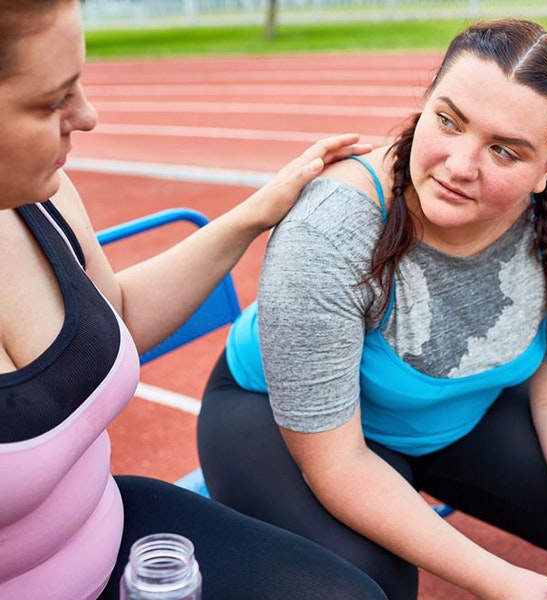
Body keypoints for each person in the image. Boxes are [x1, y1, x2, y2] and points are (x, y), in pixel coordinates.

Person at [198, 18, 547, 600]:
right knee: (368, 587)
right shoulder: (330, 232)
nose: (460, 166)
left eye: (505, 151)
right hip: (284, 425)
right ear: (425, 102)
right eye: (448, 121)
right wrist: (507, 582)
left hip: (457, 413)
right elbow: (338, 465)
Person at [0, 1, 388, 599]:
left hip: (119, 537)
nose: (88, 115)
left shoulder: (39, 195)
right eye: (53, 101)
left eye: (79, 84)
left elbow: (117, 318)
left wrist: (259, 211)